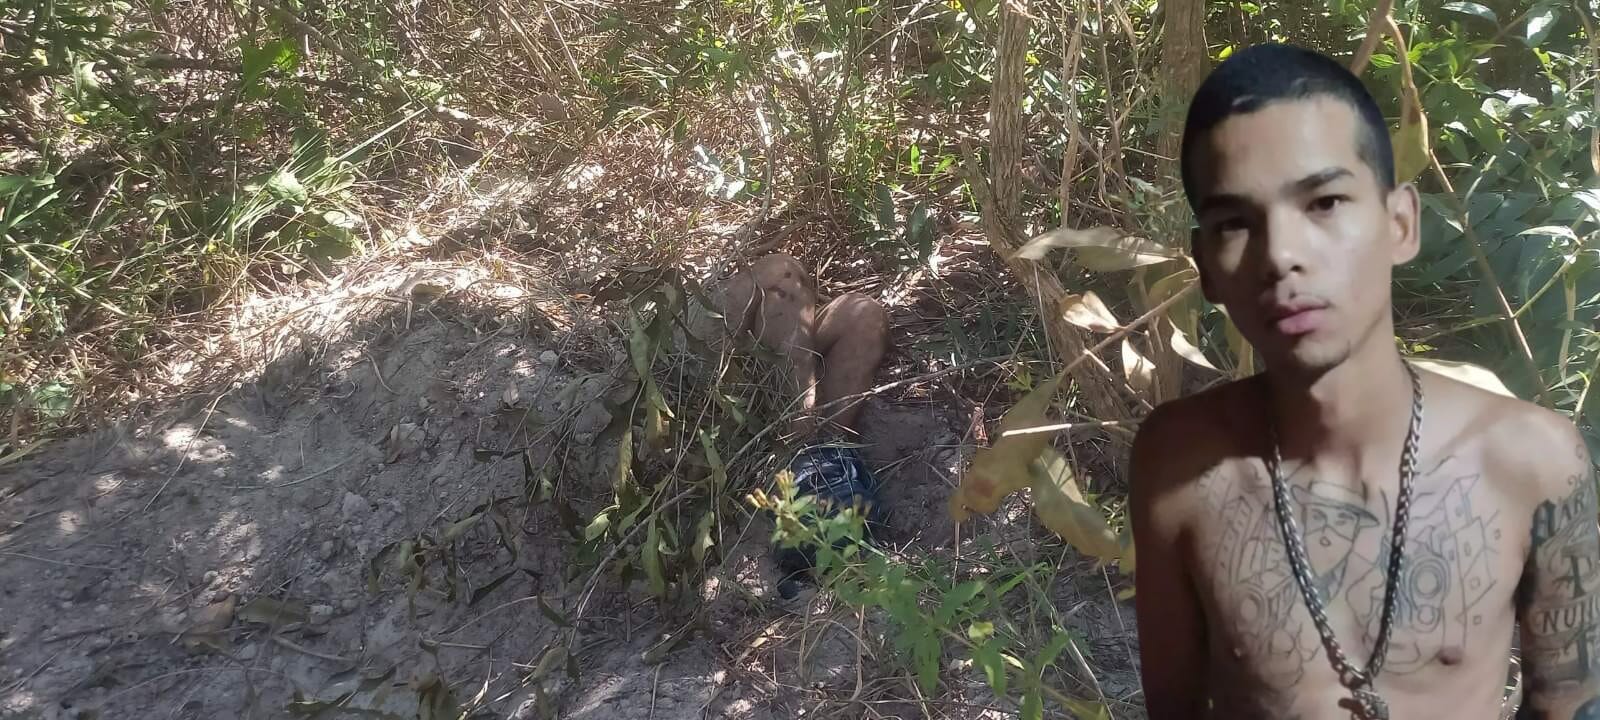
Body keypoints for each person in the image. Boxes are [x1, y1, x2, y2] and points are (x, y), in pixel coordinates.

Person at [1129, 43, 1600, 720]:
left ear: (1400, 223)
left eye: (1324, 202)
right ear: (1205, 263)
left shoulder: (1532, 463)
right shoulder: (1178, 464)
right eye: (1235, 223)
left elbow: (1572, 703)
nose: (1281, 256)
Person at [708, 253, 892, 596]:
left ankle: (823, 459)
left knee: (864, 315)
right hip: (704, 359)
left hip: (766, 368)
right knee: (781, 271)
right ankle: (797, 445)